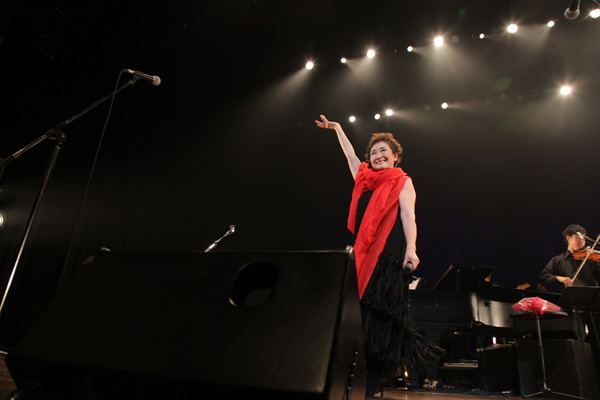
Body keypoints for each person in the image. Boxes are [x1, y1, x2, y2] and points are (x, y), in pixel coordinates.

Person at [315, 115, 442, 397]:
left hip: (388, 255)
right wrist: (338, 129)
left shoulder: (403, 181)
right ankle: (349, 375)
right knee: (356, 315)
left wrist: (412, 248)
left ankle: (372, 379)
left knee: (379, 316)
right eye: (373, 152)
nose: (378, 155)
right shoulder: (364, 180)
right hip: (361, 256)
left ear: (396, 156)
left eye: (384, 151)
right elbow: (350, 156)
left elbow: (408, 216)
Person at [539, 224, 600, 290]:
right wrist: (558, 278)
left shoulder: (592, 257)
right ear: (568, 238)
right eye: (577, 238)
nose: (581, 241)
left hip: (593, 294)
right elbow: (544, 277)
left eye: (583, 238)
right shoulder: (558, 260)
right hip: (571, 295)